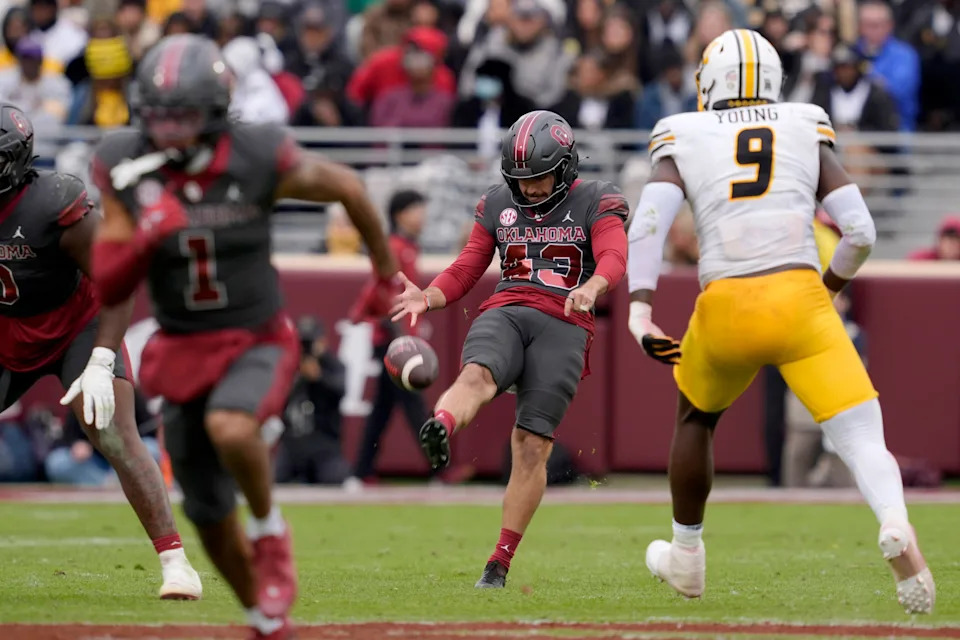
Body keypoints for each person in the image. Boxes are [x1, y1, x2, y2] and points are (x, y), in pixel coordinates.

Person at [88, 34, 397, 640]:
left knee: (231, 425)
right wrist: (148, 232)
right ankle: (263, 617)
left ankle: (269, 525)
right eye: (159, 115)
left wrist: (385, 273)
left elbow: (349, 188)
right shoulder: (124, 162)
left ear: (214, 110)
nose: (169, 130)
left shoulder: (257, 153)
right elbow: (107, 279)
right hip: (180, 344)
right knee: (204, 515)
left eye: (184, 116)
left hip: (255, 334)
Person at [625, 29, 934, 615]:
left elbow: (647, 227)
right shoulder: (803, 124)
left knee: (696, 417)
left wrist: (641, 309)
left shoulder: (683, 133)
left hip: (724, 305)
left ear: (707, 82)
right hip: (800, 298)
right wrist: (826, 289)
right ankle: (893, 519)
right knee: (862, 435)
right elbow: (861, 233)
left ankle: (687, 555)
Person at [391, 110, 628, 588]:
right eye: (522, 179)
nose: (532, 189)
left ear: (564, 167)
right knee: (475, 375)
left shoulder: (598, 199)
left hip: (565, 320)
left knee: (531, 444)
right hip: (507, 307)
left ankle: (498, 563)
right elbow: (467, 267)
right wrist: (428, 295)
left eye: (540, 177)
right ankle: (441, 425)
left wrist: (594, 286)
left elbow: (614, 253)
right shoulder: (498, 202)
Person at [0, 102, 201, 598]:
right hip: (8, 329)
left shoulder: (53, 203)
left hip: (77, 327)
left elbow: (115, 282)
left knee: (114, 434)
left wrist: (101, 359)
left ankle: (176, 562)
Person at [351, 189, 430, 483]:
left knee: (383, 408)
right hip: (393, 337)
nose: (422, 216)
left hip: (396, 336)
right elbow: (379, 287)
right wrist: (386, 324)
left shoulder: (405, 246)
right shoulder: (394, 247)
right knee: (413, 402)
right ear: (400, 214)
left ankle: (361, 470)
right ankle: (442, 466)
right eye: (416, 209)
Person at [275, 316, 351, 485]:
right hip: (293, 444)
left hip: (324, 444)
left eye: (310, 343)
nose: (307, 348)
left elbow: (340, 391)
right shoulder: (288, 365)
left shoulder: (332, 364)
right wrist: (297, 378)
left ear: (322, 341)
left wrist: (318, 378)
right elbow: (276, 398)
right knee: (274, 478)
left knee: (334, 478)